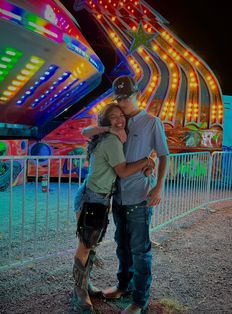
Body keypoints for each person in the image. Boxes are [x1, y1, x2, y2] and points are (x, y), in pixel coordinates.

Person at [83, 75, 169, 314]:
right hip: (117, 197)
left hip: (139, 197)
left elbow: (164, 156)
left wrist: (158, 187)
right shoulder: (117, 121)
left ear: (137, 95)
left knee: (140, 250)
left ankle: (140, 300)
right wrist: (109, 126)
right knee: (122, 245)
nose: (122, 103)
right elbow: (87, 132)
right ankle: (123, 286)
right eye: (118, 98)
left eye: (126, 97)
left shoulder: (151, 122)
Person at [72, 103, 155, 313]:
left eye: (121, 116)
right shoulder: (111, 141)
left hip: (91, 196)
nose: (119, 120)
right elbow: (123, 172)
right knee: (85, 245)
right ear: (106, 121)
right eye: (113, 117)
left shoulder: (107, 137)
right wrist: (147, 160)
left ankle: (85, 286)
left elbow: (86, 132)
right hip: (93, 199)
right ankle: (79, 294)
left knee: (89, 243)